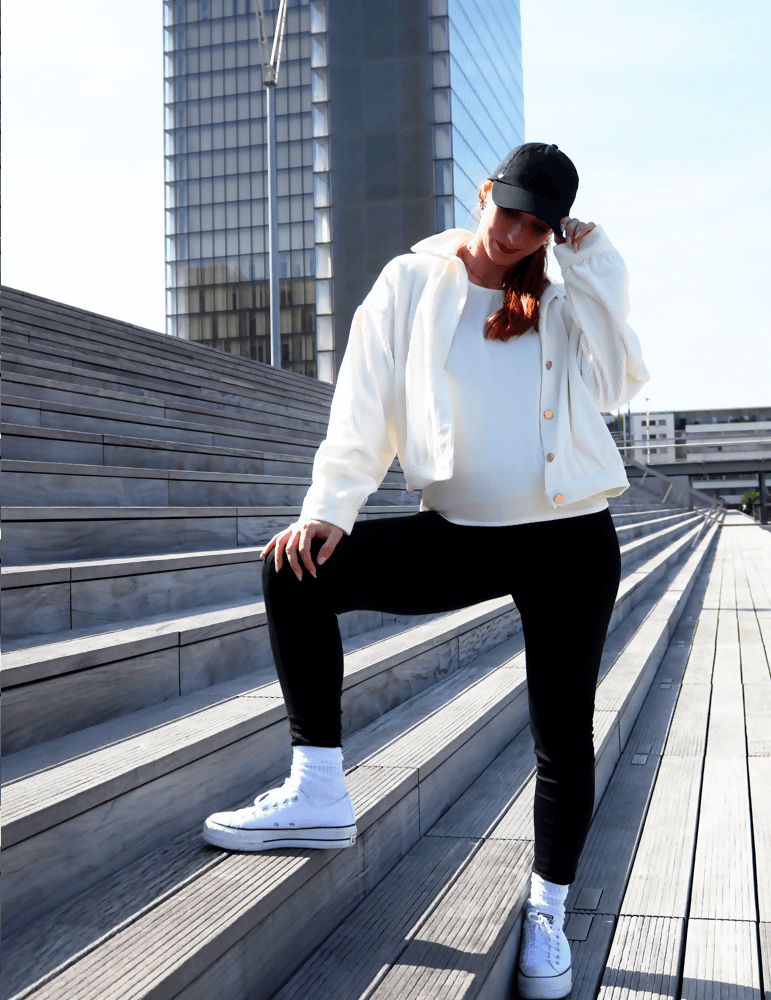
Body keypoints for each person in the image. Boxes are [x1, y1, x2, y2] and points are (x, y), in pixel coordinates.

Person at [203, 142, 650, 998]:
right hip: (461, 533)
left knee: (561, 733)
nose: (515, 234)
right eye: (508, 211)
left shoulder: (559, 293)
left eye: (537, 226)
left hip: (569, 541)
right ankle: (319, 787)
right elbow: (363, 401)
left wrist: (592, 261)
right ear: (483, 192)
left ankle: (548, 915)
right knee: (295, 572)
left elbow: (619, 378)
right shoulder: (412, 284)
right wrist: (328, 506)